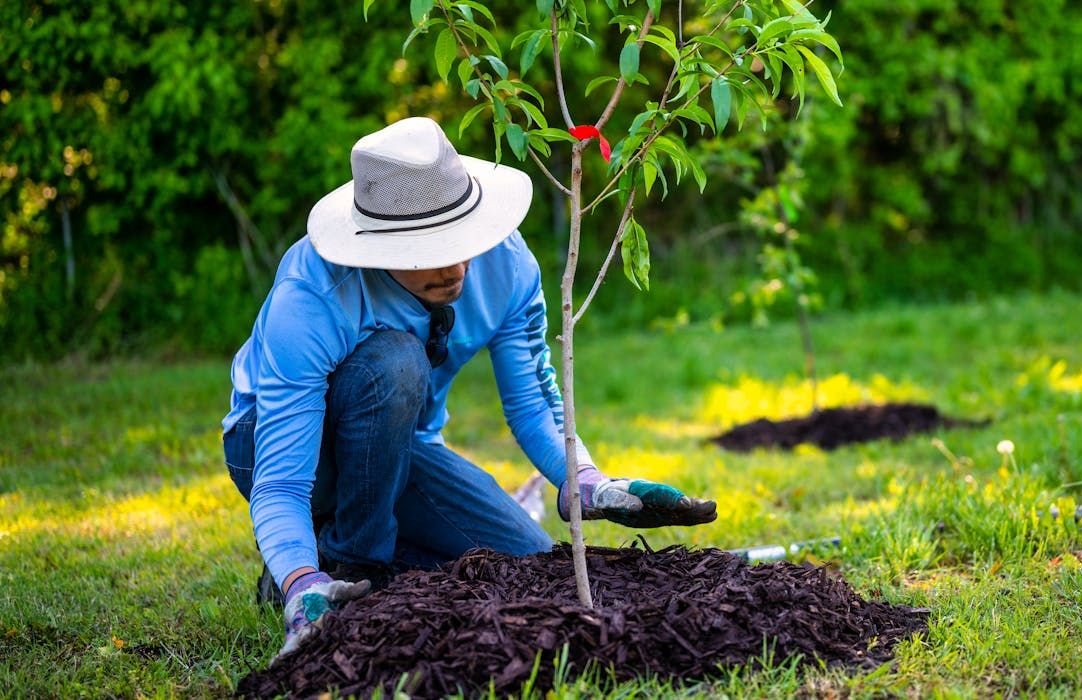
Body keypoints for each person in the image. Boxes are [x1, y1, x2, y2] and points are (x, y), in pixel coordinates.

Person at [220, 117, 716, 657]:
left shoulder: (506, 265)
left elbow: (532, 401)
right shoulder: (314, 296)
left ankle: (338, 554)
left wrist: (585, 482)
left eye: (462, 239)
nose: (456, 265)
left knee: (525, 560)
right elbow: (281, 481)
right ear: (378, 247)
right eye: (428, 249)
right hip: (279, 449)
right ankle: (336, 568)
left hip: (400, 449)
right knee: (396, 361)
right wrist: (300, 581)